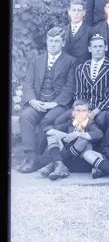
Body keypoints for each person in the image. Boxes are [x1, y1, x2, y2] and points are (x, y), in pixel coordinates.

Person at [15, 27, 76, 173]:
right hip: (38, 102)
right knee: (25, 116)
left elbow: (70, 87)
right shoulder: (37, 61)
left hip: (58, 105)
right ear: (47, 42)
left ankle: (37, 159)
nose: (53, 44)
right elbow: (28, 83)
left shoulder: (70, 61)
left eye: (56, 41)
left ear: (62, 43)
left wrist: (54, 103)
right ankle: (31, 158)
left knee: (47, 120)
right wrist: (32, 101)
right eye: (50, 41)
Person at [38, 101, 109, 182]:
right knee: (52, 134)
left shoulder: (90, 124)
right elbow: (48, 129)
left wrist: (78, 134)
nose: (81, 113)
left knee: (83, 140)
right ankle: (59, 165)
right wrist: (66, 135)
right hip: (71, 163)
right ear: (73, 112)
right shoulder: (69, 124)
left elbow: (98, 133)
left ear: (88, 113)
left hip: (87, 162)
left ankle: (53, 165)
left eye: (84, 111)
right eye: (78, 110)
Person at [72, 33, 109, 132]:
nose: (98, 49)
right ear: (90, 49)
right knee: (64, 119)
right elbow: (78, 93)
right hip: (85, 107)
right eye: (95, 47)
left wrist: (96, 110)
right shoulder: (81, 68)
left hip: (103, 108)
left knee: (99, 120)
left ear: (106, 48)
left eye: (101, 46)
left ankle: (95, 143)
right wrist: (83, 110)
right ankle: (75, 142)